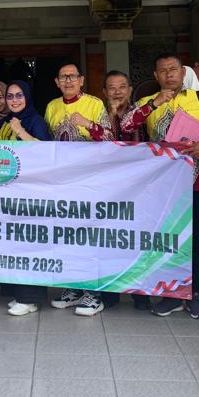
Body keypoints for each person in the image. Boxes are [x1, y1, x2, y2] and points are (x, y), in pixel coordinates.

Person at [120, 53, 199, 320]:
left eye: (173, 69)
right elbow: (126, 126)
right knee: (167, 239)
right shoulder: (147, 102)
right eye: (163, 70)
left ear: (183, 73)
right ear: (156, 75)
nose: (169, 74)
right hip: (163, 185)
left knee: (197, 240)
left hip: (198, 180)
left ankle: (195, 294)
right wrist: (155, 103)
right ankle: (171, 294)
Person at [44, 62, 112, 316]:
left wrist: (87, 124)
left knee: (89, 237)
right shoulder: (52, 106)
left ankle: (94, 294)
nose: (68, 81)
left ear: (81, 80)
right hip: (63, 183)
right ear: (57, 82)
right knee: (66, 237)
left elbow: (110, 138)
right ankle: (73, 288)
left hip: (90, 182)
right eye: (63, 77)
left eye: (73, 76)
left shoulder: (94, 104)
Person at [0, 80, 51, 316]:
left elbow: (47, 152)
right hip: (9, 191)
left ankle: (30, 299)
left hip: (31, 191)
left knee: (29, 243)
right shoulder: (4, 122)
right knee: (14, 244)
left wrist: (21, 132)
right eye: (10, 96)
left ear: (27, 97)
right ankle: (21, 293)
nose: (14, 100)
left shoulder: (35, 121)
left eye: (19, 95)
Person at [101, 70, 150, 311]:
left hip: (139, 187)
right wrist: (110, 115)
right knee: (111, 240)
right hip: (110, 189)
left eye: (122, 86)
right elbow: (105, 142)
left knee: (137, 240)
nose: (117, 91)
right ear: (104, 92)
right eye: (112, 87)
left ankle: (140, 293)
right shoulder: (101, 116)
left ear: (130, 90)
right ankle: (111, 292)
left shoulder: (140, 113)